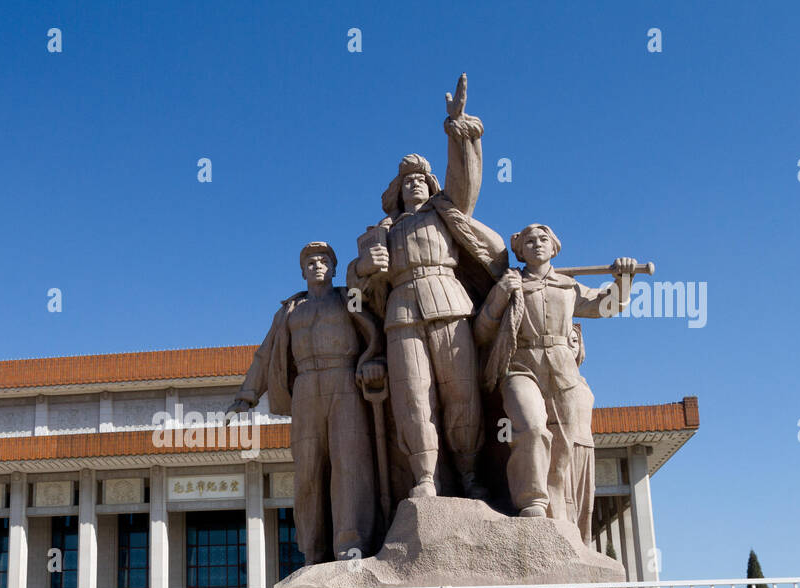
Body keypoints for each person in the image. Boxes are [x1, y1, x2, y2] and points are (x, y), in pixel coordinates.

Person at [347, 76, 507, 500]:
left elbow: (465, 180)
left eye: (421, 178)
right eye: (407, 181)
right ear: (395, 192)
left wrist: (456, 130)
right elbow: (353, 293)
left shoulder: (446, 212)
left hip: (448, 301)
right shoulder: (379, 233)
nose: (415, 183)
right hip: (401, 311)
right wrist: (363, 269)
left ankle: (471, 475)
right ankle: (424, 478)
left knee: (461, 395)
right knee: (414, 398)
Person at [472, 223, 634, 535]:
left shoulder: (567, 286)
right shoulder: (510, 283)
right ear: (520, 250)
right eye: (529, 240)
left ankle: (559, 511)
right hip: (521, 366)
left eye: (543, 239)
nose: (536, 244)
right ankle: (531, 500)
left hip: (563, 368)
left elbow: (608, 306)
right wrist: (499, 296)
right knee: (531, 428)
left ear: (554, 246)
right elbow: (481, 332)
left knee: (565, 443)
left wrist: (623, 279)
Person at [229, 242, 385, 563]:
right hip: (305, 388)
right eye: (311, 261)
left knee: (348, 464)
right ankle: (313, 550)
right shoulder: (289, 311)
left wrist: (375, 359)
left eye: (324, 259)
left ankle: (349, 543)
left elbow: (376, 323)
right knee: (308, 470)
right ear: (302, 271)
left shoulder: (347, 298)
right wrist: (246, 397)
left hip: (344, 381)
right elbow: (265, 354)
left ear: (334, 267)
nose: (317, 265)